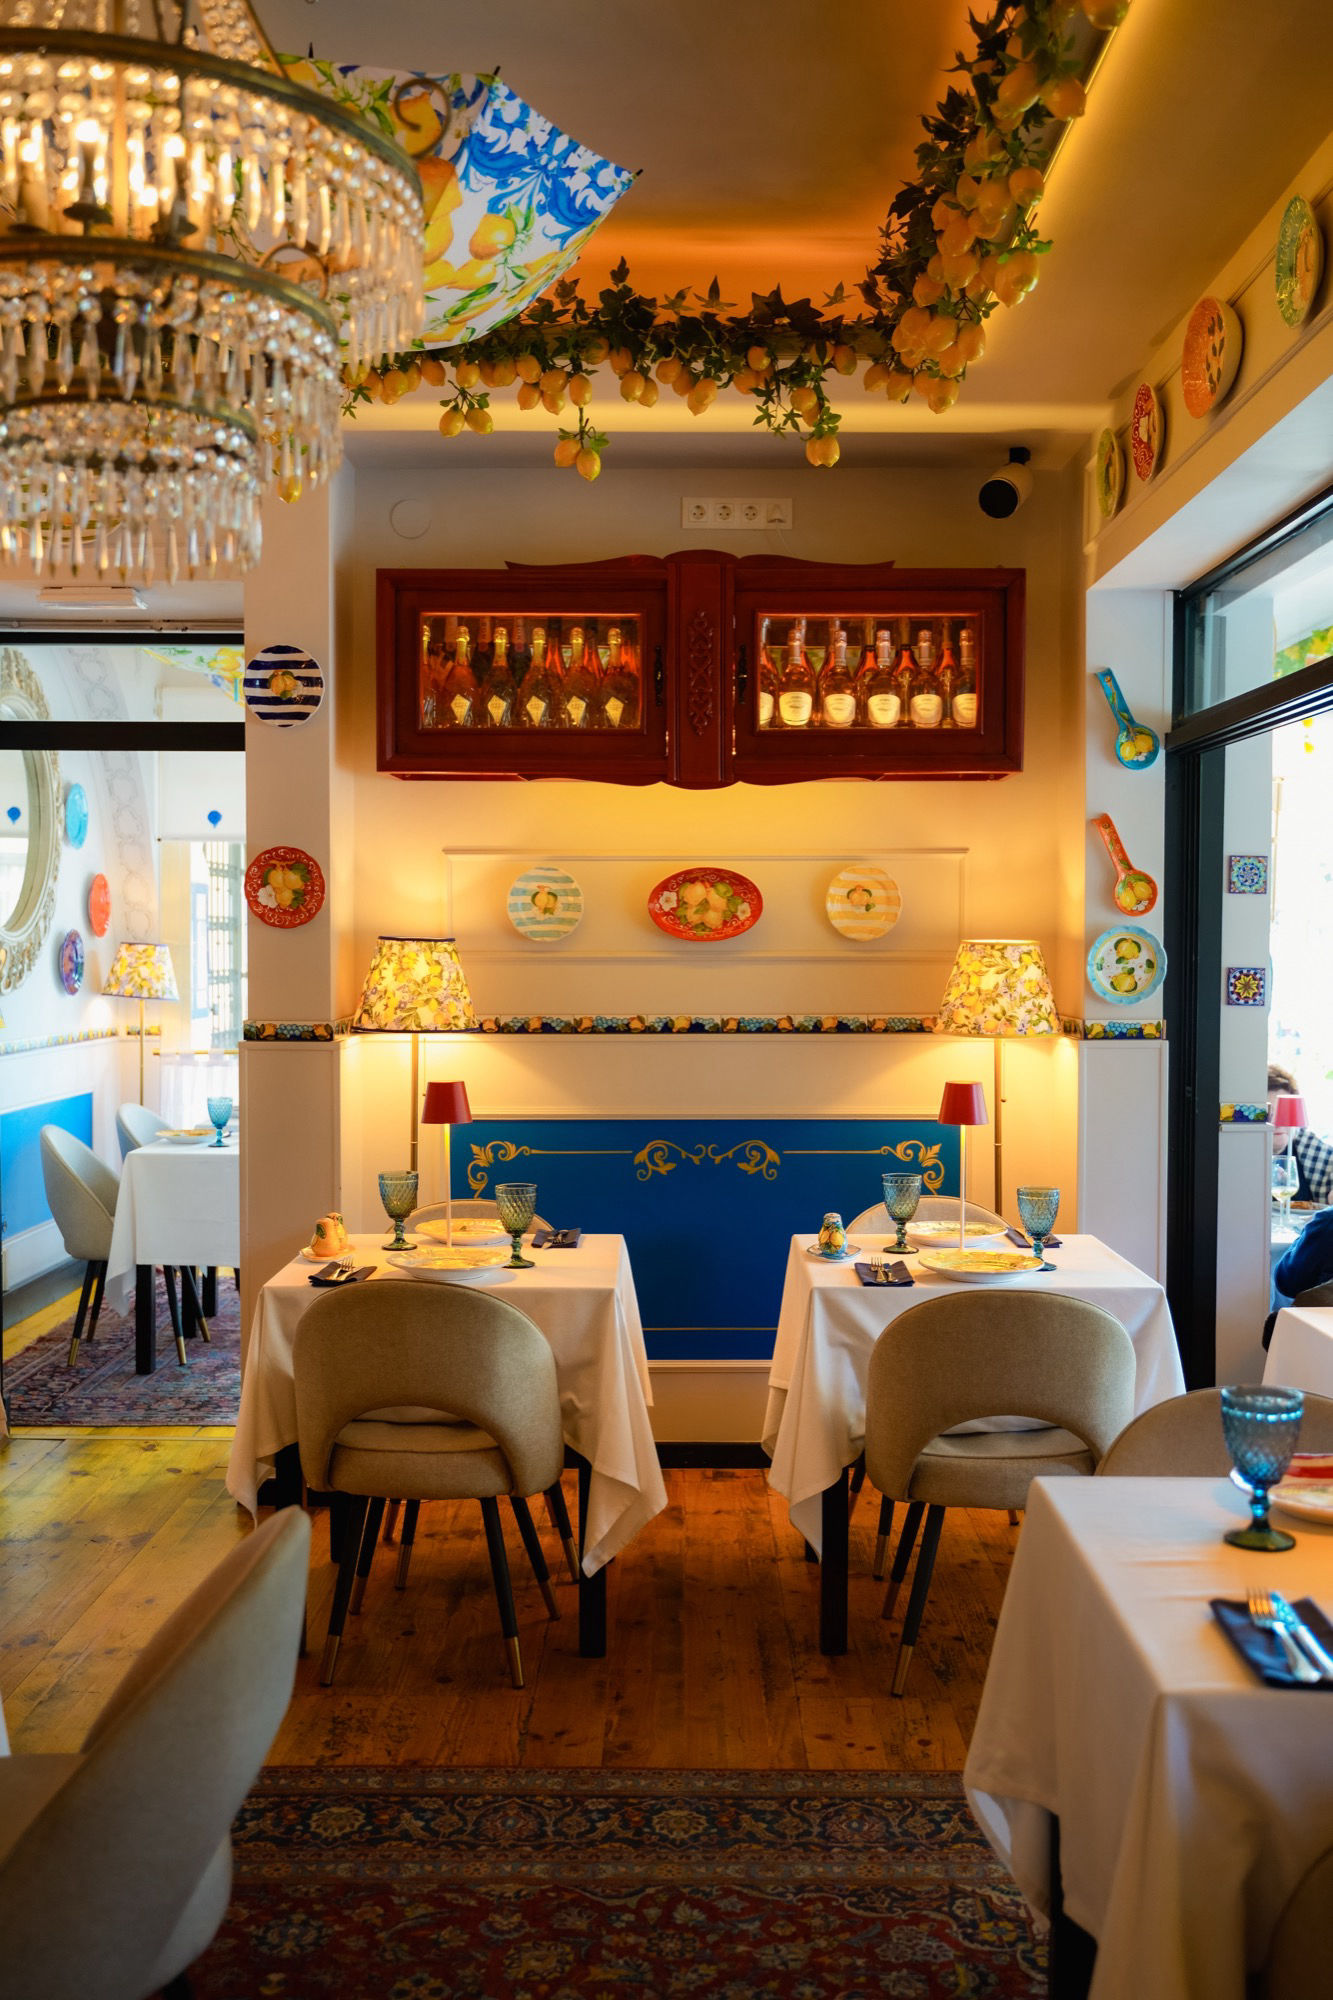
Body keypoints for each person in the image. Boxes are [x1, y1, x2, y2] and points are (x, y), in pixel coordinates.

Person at [1267, 1063, 1333, 1205]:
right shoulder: (1238, 1157)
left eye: (1284, 1112)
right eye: (1269, 1113)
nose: (1278, 1122)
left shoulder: (1315, 1151)